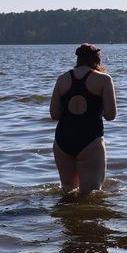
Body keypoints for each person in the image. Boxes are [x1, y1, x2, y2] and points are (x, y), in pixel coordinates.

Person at [50, 43, 117, 194]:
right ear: (97, 59)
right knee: (91, 195)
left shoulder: (62, 79)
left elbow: (54, 114)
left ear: (78, 59)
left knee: (67, 192)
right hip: (90, 140)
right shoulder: (104, 80)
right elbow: (110, 116)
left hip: (63, 140)